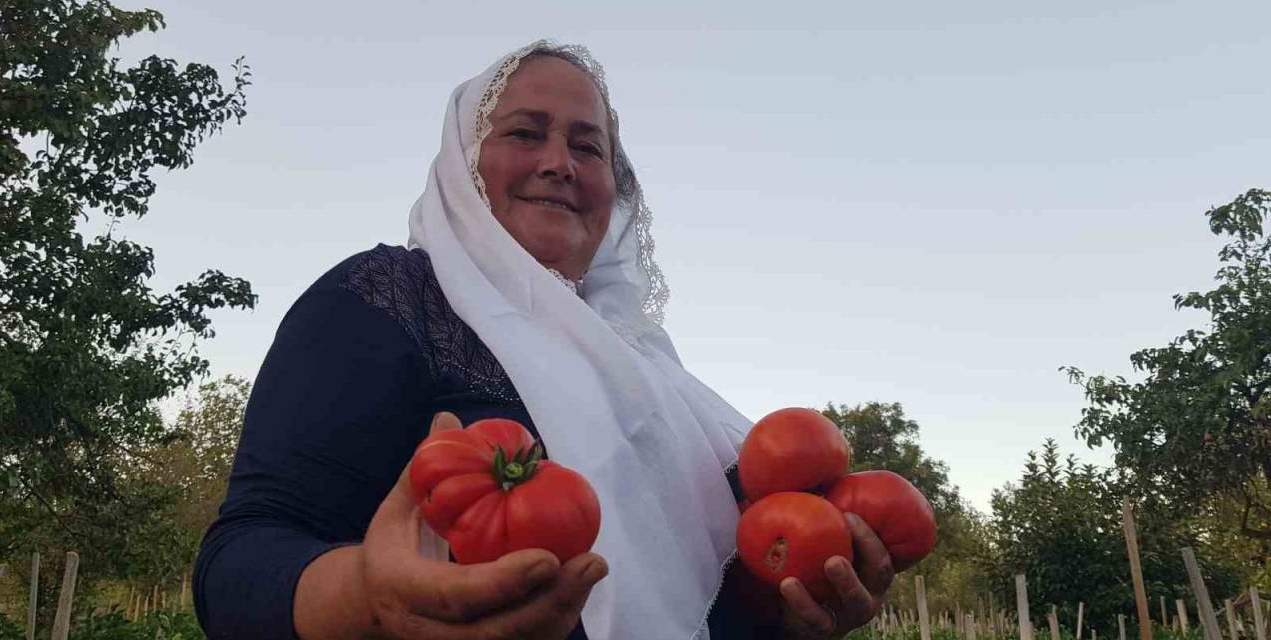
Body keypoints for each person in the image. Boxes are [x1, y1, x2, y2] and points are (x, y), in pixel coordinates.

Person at [193, 40, 895, 640]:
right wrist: (367, 597)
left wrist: (785, 612)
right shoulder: (388, 298)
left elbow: (690, 607)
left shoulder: (651, 375)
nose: (560, 161)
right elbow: (238, 560)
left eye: (587, 146)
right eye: (526, 133)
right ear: (464, 163)